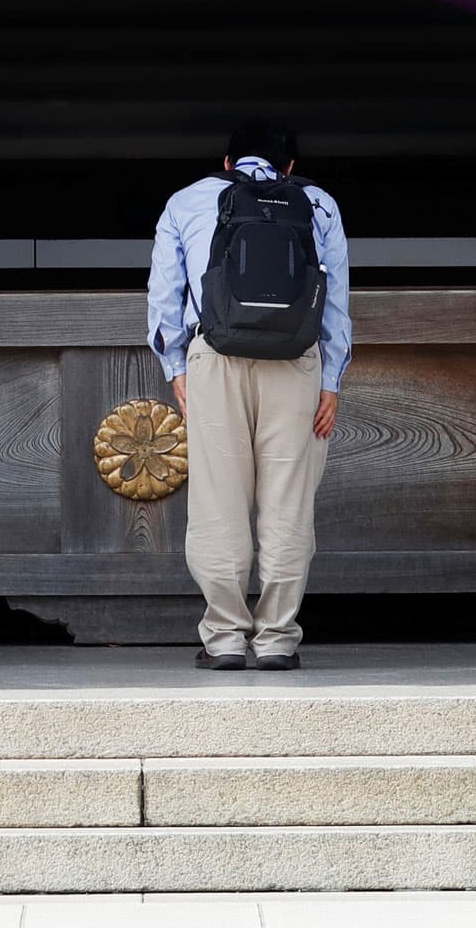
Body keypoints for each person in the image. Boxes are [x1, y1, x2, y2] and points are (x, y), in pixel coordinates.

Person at [147, 120, 351, 671]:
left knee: (218, 502)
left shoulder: (188, 202)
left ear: (226, 163)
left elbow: (164, 295)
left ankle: (226, 638)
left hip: (215, 357)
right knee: (289, 501)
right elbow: (335, 302)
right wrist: (330, 380)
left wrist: (175, 367)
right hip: (296, 363)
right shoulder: (318, 203)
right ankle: (278, 639)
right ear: (289, 167)